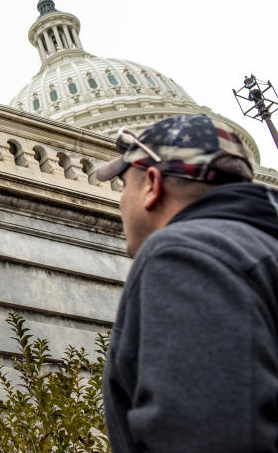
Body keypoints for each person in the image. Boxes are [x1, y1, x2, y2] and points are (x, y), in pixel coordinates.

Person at [94, 113, 278, 453]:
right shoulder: (263, 248)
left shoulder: (183, 254)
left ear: (152, 184)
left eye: (123, 185)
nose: (121, 200)